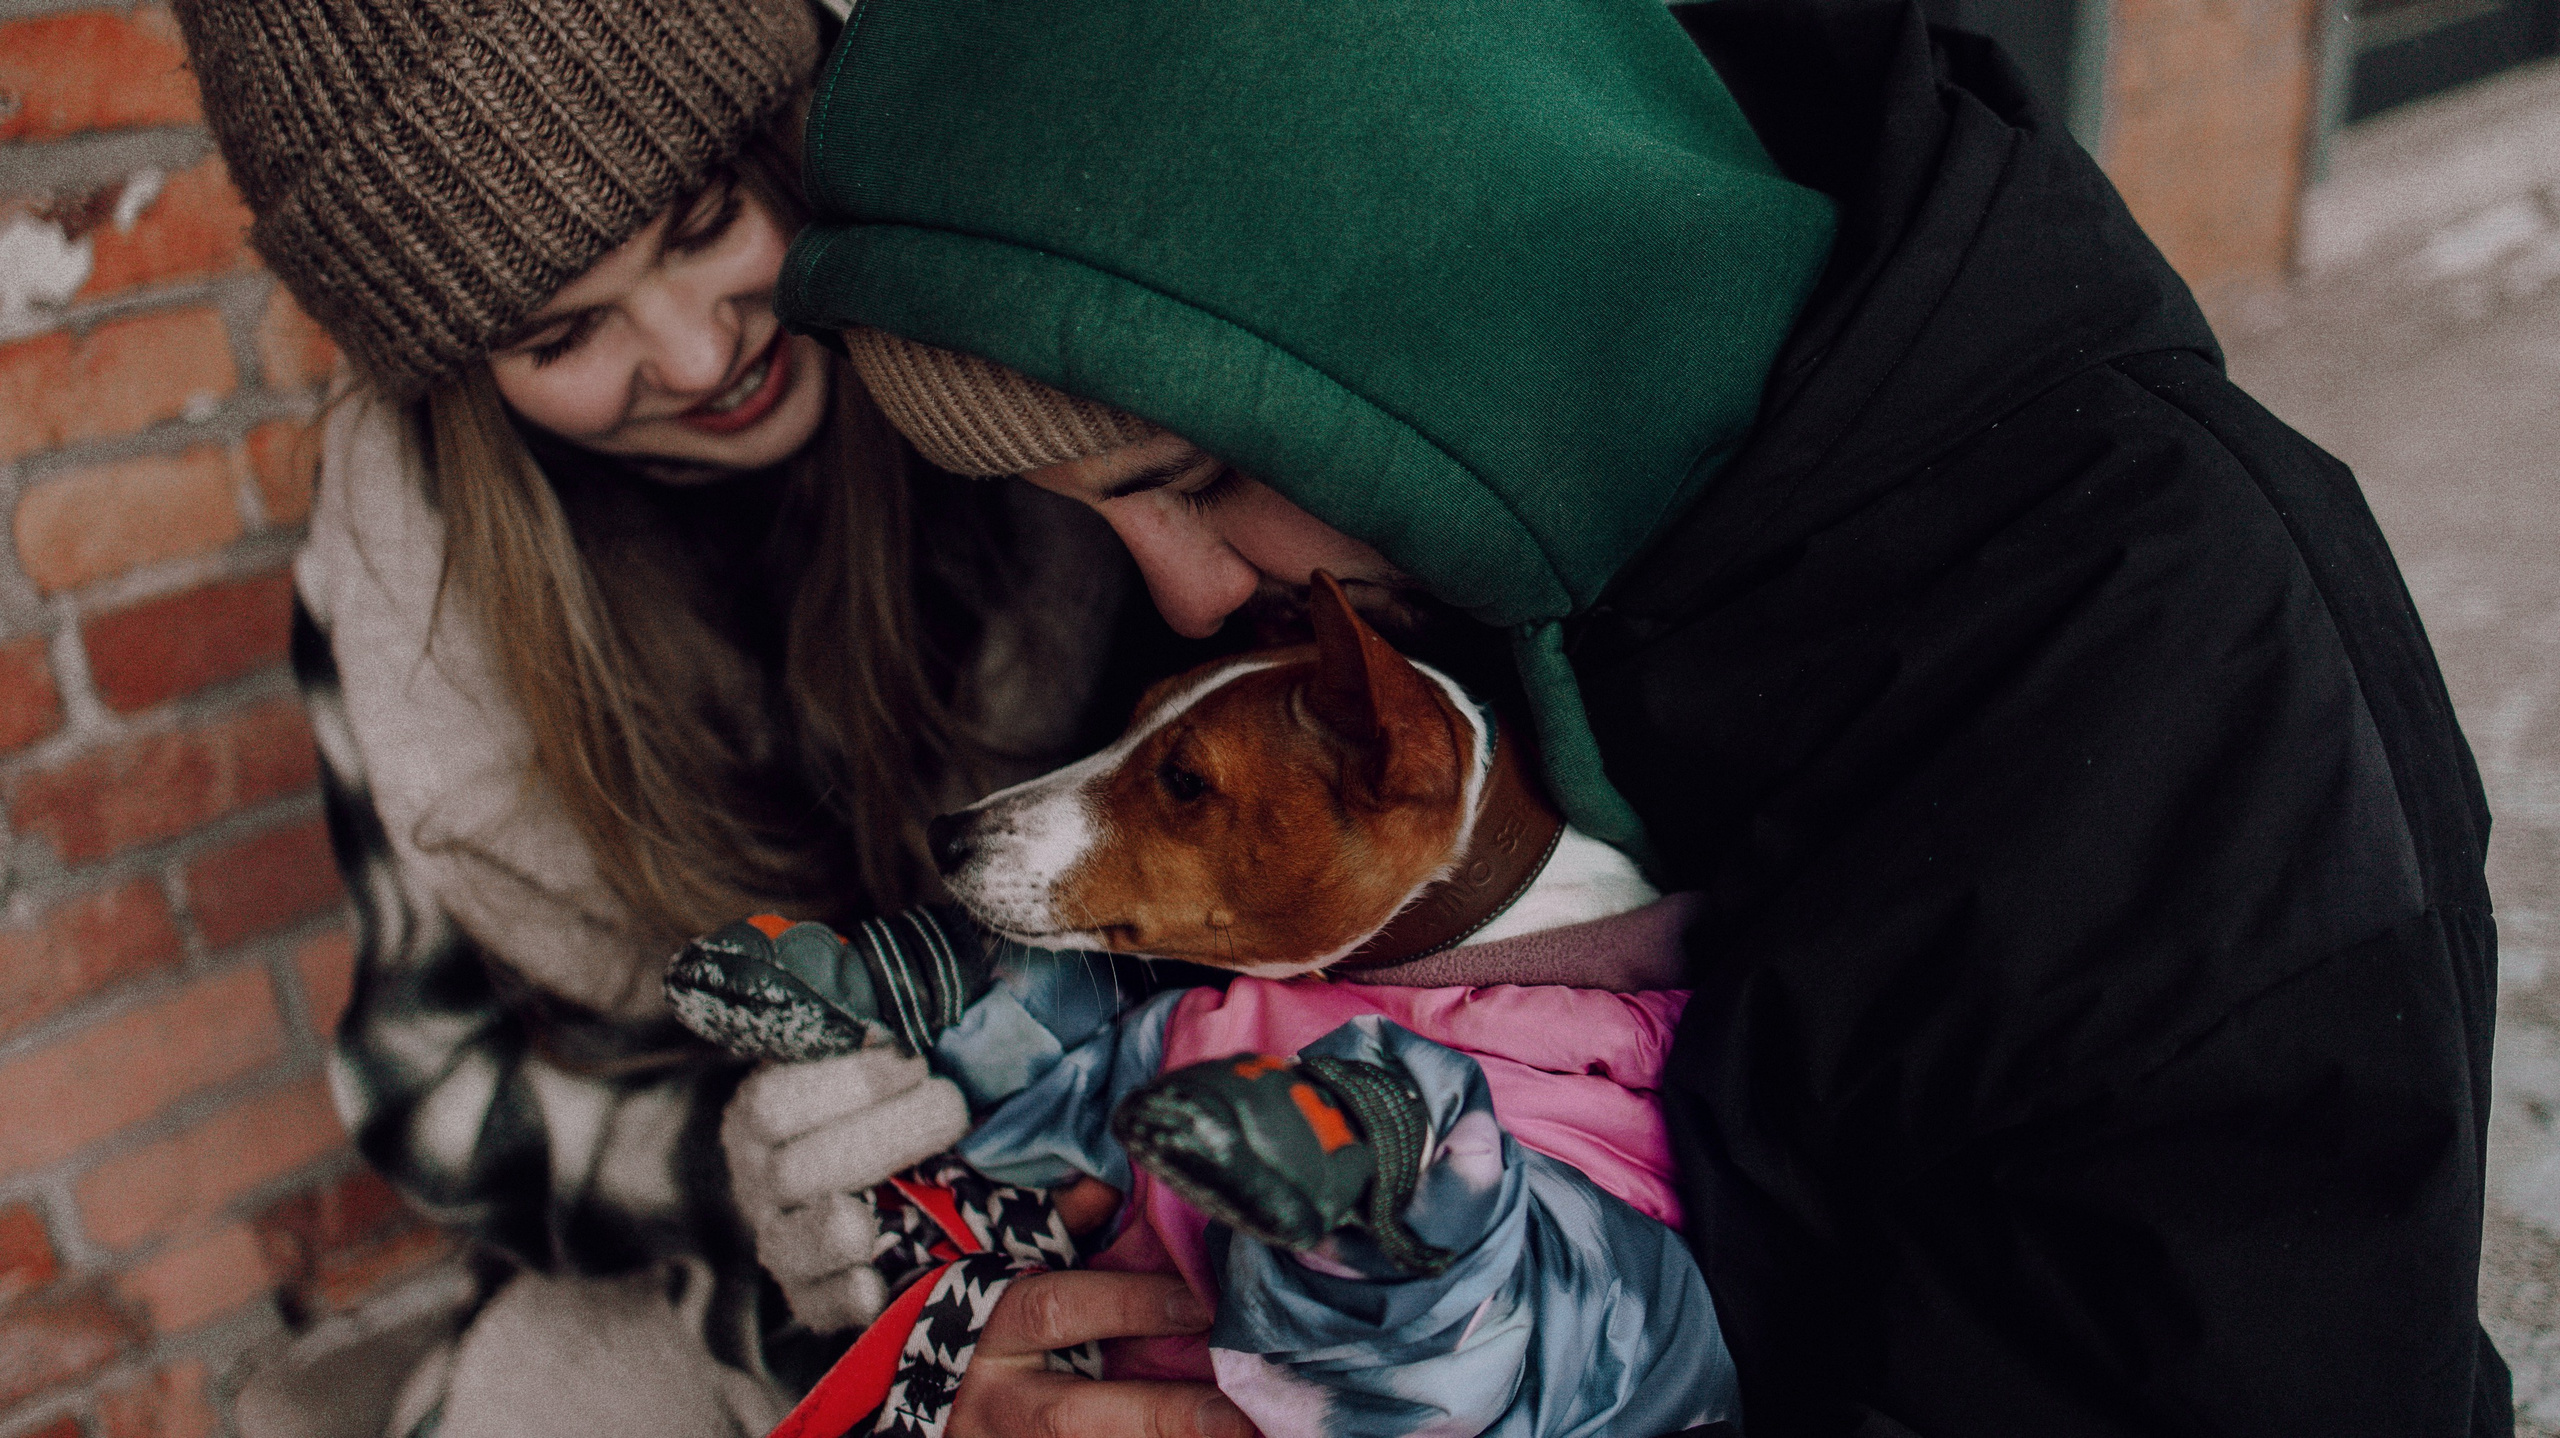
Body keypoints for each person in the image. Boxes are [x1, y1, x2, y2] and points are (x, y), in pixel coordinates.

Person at [772, 0, 2509, 1434]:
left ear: (1435, 321)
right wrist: (979, 1315)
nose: (1187, 593)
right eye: (1103, 517)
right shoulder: (1427, 570)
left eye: (1204, 472)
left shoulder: (2166, 671)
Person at [167, 2, 1170, 1434]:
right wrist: (741, 1175)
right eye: (563, 330)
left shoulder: (1043, 367)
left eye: (702, 224)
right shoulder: (409, 588)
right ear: (464, 375)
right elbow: (425, 1084)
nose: (699, 361)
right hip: (708, 1274)